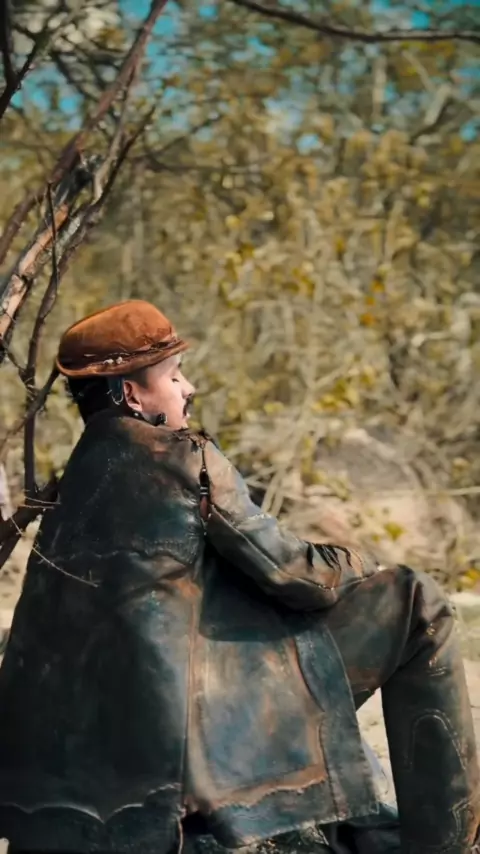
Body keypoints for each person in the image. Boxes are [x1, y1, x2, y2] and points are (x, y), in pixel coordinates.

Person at [0, 299, 478, 854]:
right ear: (131, 394)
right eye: (174, 376)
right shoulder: (185, 459)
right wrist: (359, 560)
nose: (189, 388)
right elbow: (298, 576)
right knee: (416, 600)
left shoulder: (65, 492)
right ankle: (446, 844)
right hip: (184, 757)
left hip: (58, 798)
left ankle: (362, 830)